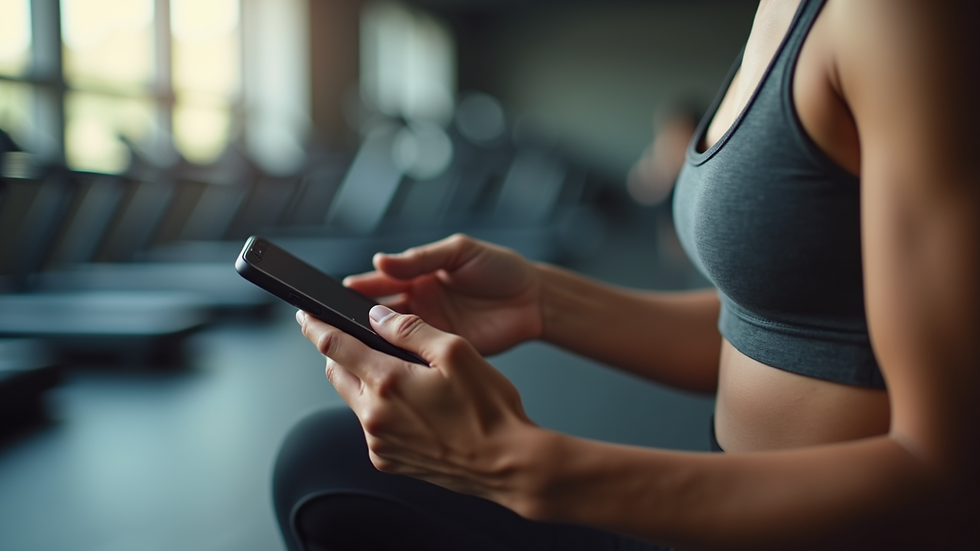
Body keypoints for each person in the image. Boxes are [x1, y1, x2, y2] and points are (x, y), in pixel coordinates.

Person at [275, 0, 980, 548]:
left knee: (321, 463)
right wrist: (544, 298)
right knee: (329, 456)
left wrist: (522, 465)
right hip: (730, 507)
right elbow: (789, 332)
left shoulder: (896, 16)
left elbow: (948, 479)